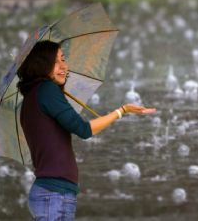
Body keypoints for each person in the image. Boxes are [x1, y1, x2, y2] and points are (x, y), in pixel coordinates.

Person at [17, 40, 156, 220]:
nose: (63, 66)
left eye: (63, 59)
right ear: (41, 65)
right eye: (54, 61)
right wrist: (122, 111)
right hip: (53, 195)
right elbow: (83, 130)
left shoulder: (34, 96)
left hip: (53, 194)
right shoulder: (46, 90)